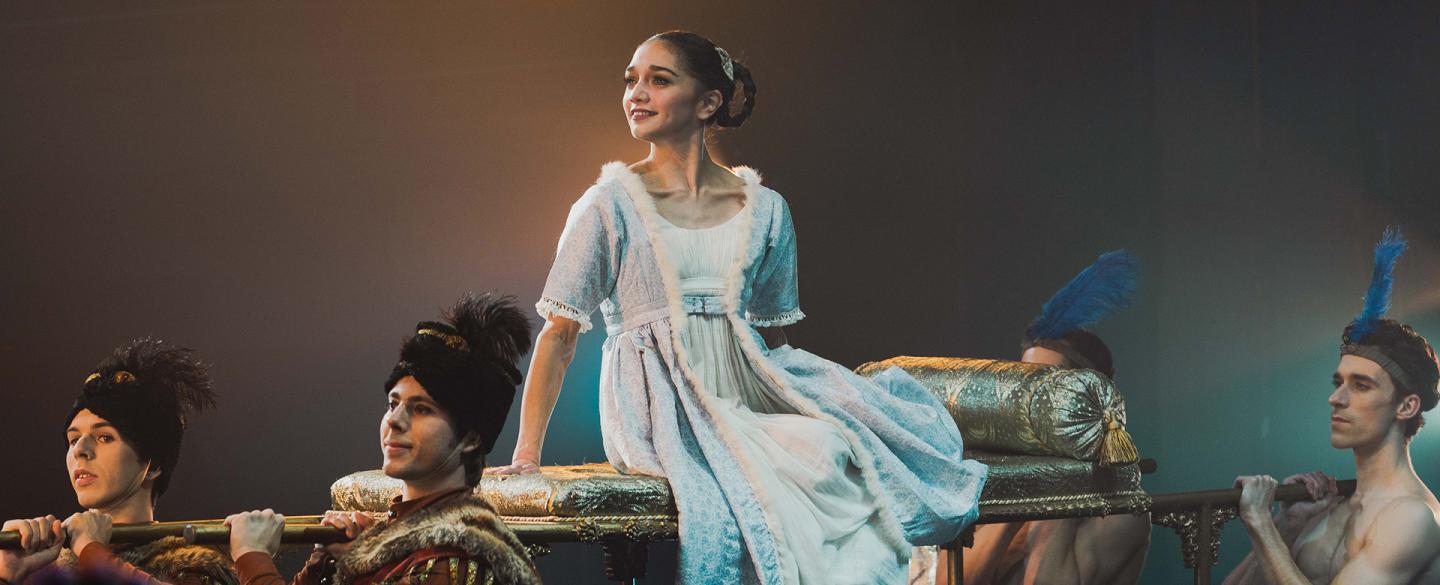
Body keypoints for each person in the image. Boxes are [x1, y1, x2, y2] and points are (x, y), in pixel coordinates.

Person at [490, 30, 987, 584]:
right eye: (631, 80)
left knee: (832, 445)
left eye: (659, 79)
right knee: (752, 479)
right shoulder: (610, 204)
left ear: (709, 103)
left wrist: (808, 399)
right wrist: (527, 453)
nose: (637, 93)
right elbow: (560, 331)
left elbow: (771, 337)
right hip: (659, 396)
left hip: (746, 380)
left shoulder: (766, 209)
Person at [227, 293, 542, 585]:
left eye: (421, 409)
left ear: (472, 438)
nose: (394, 420)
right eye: (393, 404)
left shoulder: (452, 561)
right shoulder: (401, 541)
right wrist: (327, 562)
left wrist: (252, 557)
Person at [1224, 229, 1440, 585]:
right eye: (1338, 382)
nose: (1336, 398)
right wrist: (1285, 525)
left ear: (1406, 406)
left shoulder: (1411, 517)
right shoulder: (1332, 505)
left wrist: (1260, 524)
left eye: (1361, 385)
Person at [0, 338, 237, 585]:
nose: (80, 450)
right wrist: (8, 575)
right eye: (73, 440)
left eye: (104, 437)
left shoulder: (195, 566)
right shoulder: (49, 568)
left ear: (153, 465)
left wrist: (92, 552)